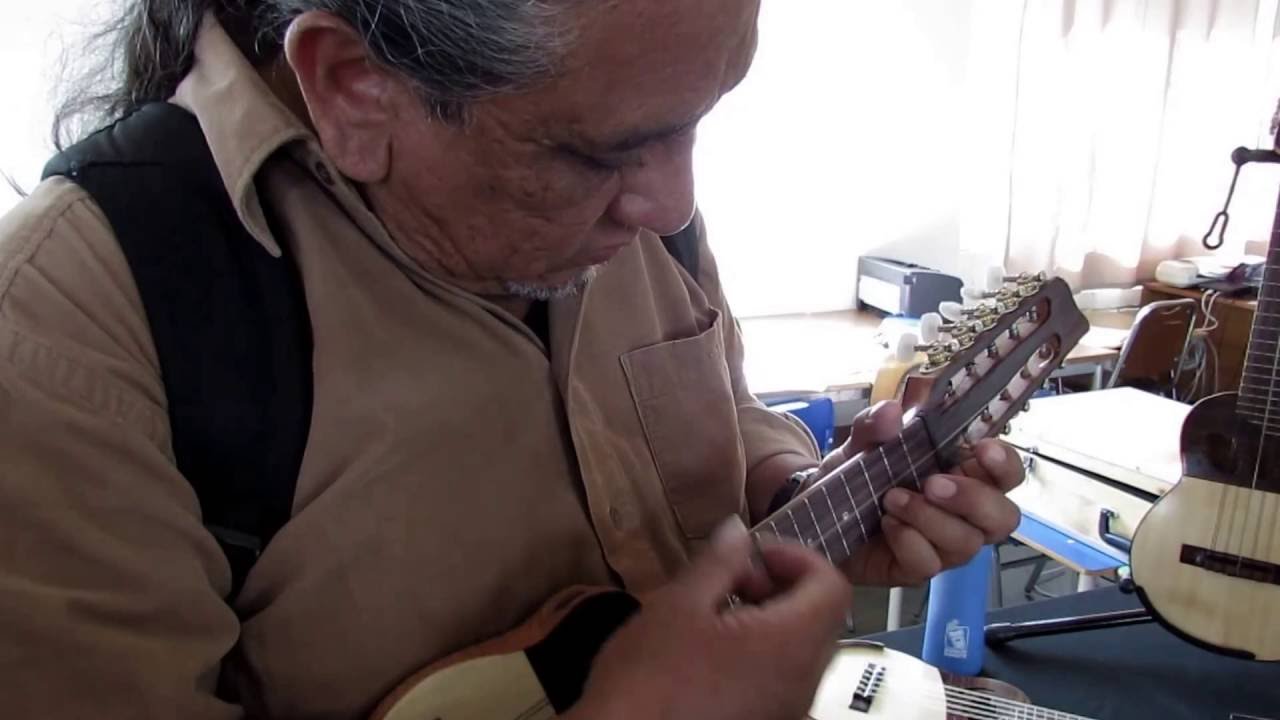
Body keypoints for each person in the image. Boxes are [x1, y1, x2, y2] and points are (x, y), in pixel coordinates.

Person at [0, 0, 1025, 718]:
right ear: (355, 88)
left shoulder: (636, 186)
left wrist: (812, 496)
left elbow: (717, 404)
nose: (670, 202)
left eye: (698, 122)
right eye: (599, 153)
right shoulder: (78, 321)